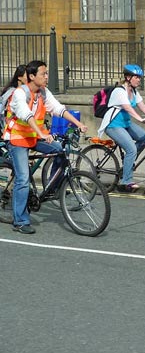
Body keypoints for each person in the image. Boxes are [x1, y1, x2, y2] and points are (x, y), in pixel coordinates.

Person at [3, 60, 88, 234]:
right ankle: (20, 221)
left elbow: (58, 109)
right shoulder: (20, 94)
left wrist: (78, 123)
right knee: (23, 179)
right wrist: (41, 133)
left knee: (61, 150)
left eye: (47, 73)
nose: (47, 76)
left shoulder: (43, 92)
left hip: (34, 138)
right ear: (32, 76)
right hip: (17, 139)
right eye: (44, 74)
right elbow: (26, 116)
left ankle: (52, 188)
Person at [97, 64, 145, 192]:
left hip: (125, 124)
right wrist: (140, 119)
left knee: (144, 137)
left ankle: (128, 163)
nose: (139, 80)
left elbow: (143, 106)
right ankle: (126, 181)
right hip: (113, 125)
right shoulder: (119, 91)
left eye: (139, 77)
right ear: (128, 77)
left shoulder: (134, 92)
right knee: (131, 149)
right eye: (136, 77)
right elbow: (127, 107)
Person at [0, 64, 27, 132]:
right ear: (19, 77)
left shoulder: (26, 91)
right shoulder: (12, 91)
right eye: (27, 75)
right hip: (11, 128)